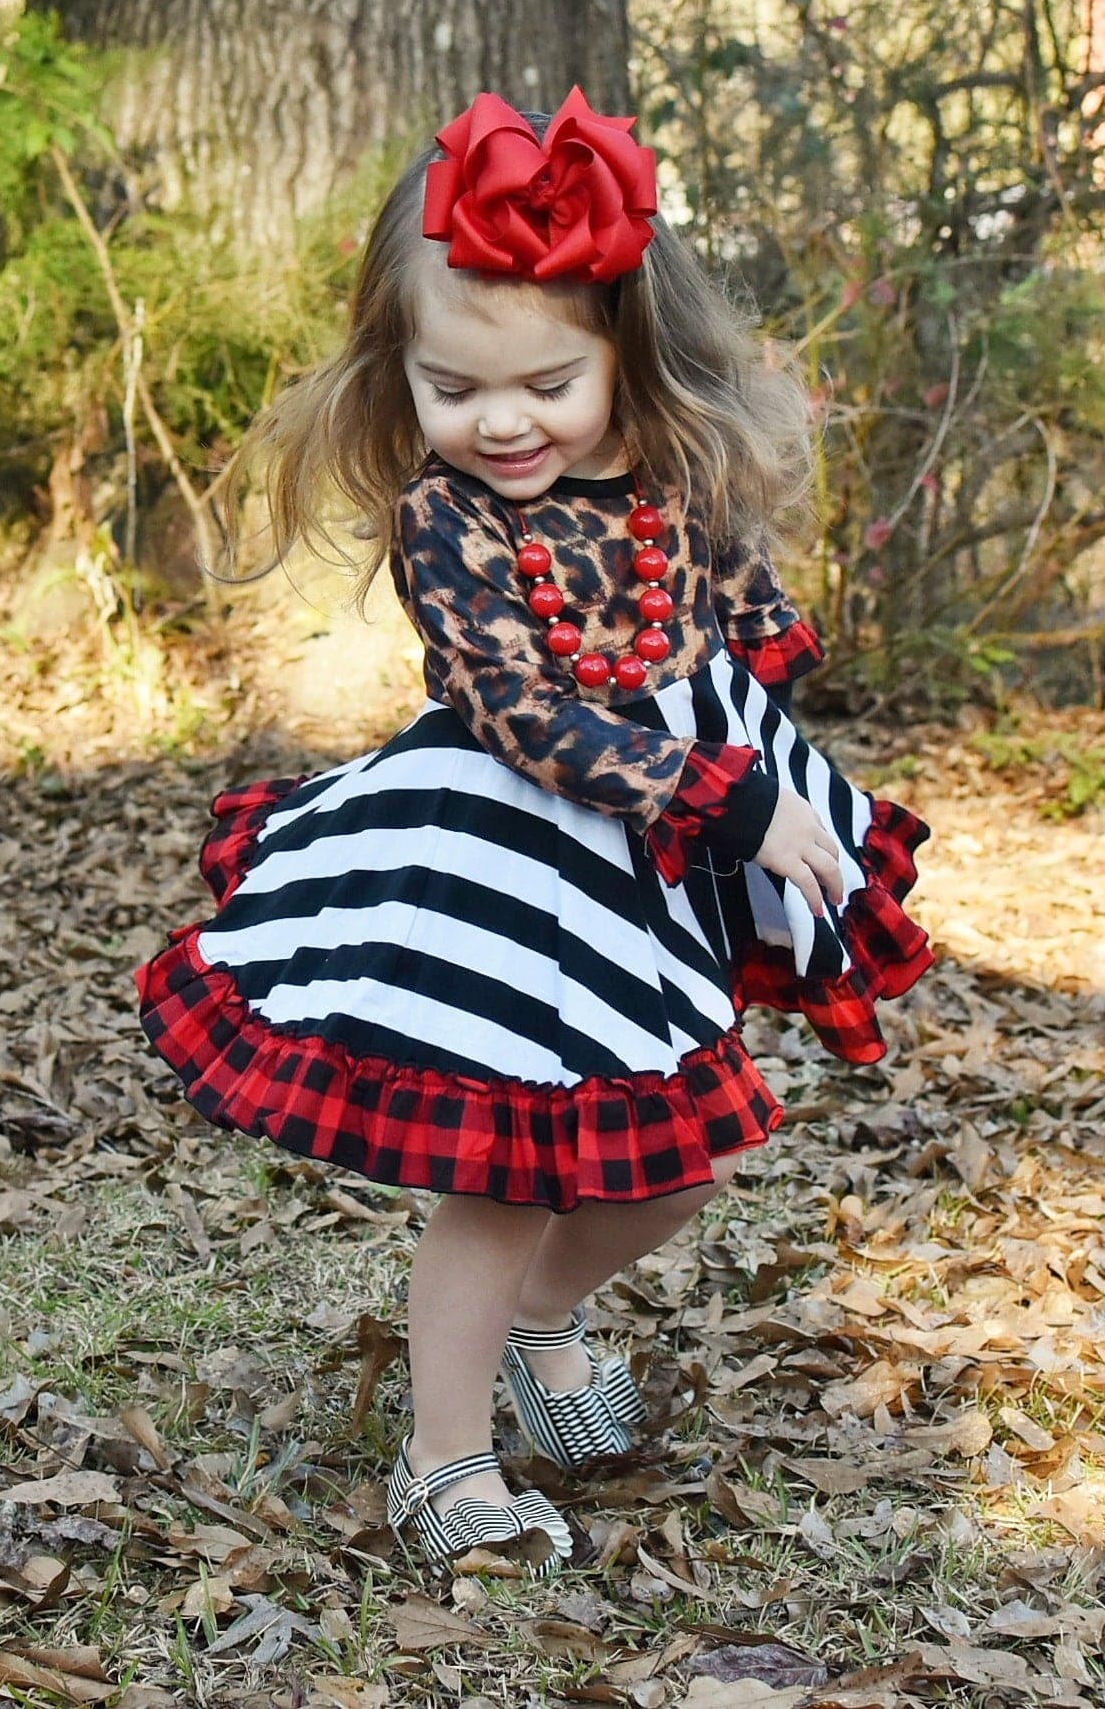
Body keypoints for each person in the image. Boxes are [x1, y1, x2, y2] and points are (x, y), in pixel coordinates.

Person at [137, 86, 933, 1575]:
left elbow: (735, 615)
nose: (499, 421)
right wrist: (727, 795)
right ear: (407, 378)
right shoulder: (451, 522)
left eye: (546, 384)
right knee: (502, 1171)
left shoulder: (675, 474)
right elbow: (525, 714)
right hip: (515, 850)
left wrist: (755, 686)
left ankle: (545, 1330)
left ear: (633, 356)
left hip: (652, 867)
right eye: (453, 389)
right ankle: (445, 1455)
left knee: (673, 1161)